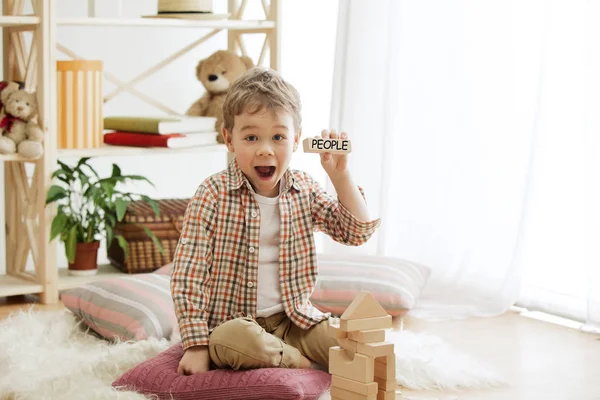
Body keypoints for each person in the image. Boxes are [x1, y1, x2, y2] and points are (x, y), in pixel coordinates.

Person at [171, 67, 381, 375]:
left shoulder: (305, 189)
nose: (265, 149)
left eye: (278, 137)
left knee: (352, 346)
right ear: (230, 140)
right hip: (233, 326)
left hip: (294, 322)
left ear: (296, 140)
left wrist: (341, 177)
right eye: (251, 137)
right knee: (235, 340)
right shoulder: (212, 195)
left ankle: (286, 353)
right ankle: (297, 363)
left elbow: (356, 232)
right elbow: (189, 275)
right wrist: (196, 345)